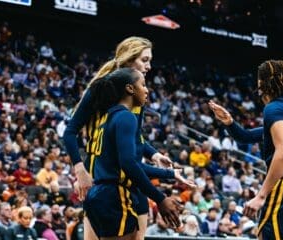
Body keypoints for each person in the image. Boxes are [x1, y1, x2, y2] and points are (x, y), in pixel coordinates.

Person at [63, 37, 193, 239]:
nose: (149, 66)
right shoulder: (100, 90)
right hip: (105, 175)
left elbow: (134, 135)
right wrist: (79, 170)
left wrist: (154, 154)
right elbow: (69, 132)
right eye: (144, 60)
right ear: (128, 59)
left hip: (129, 178)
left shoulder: (135, 96)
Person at [209, 60, 283, 239]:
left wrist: (261, 195)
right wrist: (229, 122)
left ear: (263, 83)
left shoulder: (274, 107)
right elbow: (247, 136)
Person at [82, 67, 181, 239]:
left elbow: (122, 163)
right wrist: (160, 198)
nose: (147, 89)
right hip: (115, 195)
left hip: (99, 193)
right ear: (130, 88)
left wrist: (170, 173)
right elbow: (129, 164)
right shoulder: (126, 117)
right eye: (143, 84)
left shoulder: (106, 118)